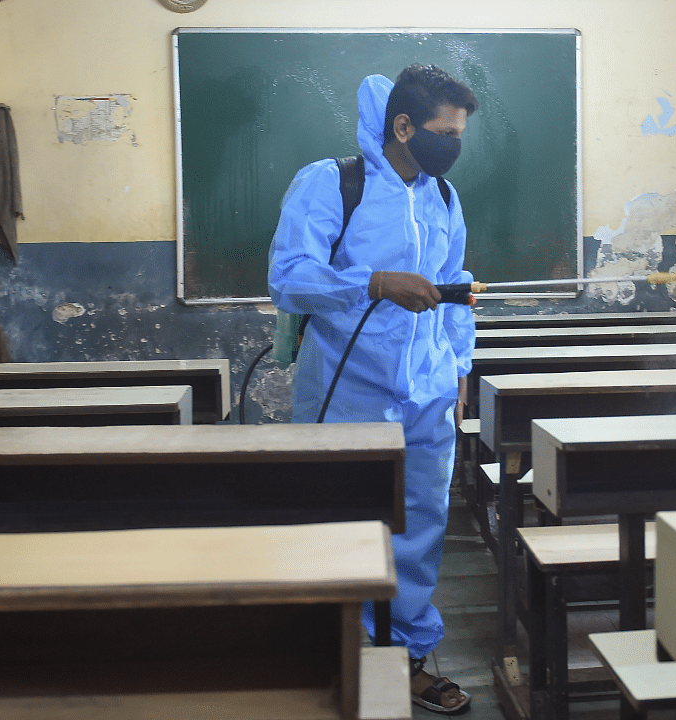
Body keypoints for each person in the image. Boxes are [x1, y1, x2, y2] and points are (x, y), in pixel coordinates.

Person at [268, 64, 478, 714]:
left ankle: (408, 657)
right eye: (445, 132)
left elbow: (454, 288)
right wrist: (373, 282)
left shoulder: (443, 197)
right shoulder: (333, 183)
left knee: (418, 528)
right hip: (346, 392)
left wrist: (459, 368)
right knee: (338, 525)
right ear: (405, 126)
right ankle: (333, 659)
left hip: (427, 396)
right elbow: (290, 276)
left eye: (460, 134)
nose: (453, 145)